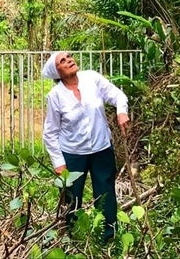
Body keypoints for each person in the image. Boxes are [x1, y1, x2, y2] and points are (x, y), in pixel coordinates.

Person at [41, 51, 129, 243]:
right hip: (73, 154)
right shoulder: (55, 96)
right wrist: (58, 163)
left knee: (105, 194)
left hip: (101, 149)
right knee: (71, 198)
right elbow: (50, 132)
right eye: (62, 61)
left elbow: (117, 95)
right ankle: (73, 239)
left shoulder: (92, 78)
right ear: (57, 73)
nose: (69, 60)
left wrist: (121, 111)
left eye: (69, 56)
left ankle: (108, 237)